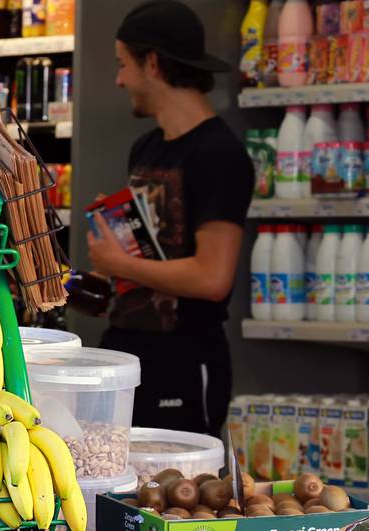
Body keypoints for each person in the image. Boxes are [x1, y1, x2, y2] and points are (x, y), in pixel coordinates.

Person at [85, 0, 254, 435]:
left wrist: (120, 263)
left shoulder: (219, 156)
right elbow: (156, 254)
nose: (120, 79)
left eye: (124, 65)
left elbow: (213, 277)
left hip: (184, 359)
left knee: (174, 495)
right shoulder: (146, 148)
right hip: (126, 349)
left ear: (154, 64)